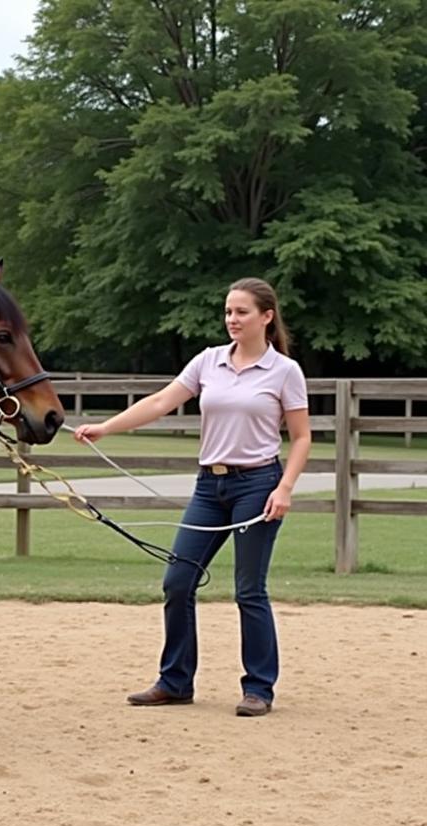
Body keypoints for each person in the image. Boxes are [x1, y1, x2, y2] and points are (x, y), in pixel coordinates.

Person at [74, 278, 311, 716]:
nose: (231, 320)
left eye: (241, 312)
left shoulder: (284, 372)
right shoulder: (209, 361)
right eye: (227, 312)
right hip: (209, 487)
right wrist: (106, 427)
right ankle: (175, 681)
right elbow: (162, 401)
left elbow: (300, 438)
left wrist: (285, 487)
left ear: (266, 316)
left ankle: (259, 688)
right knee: (178, 580)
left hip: (258, 485)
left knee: (249, 589)